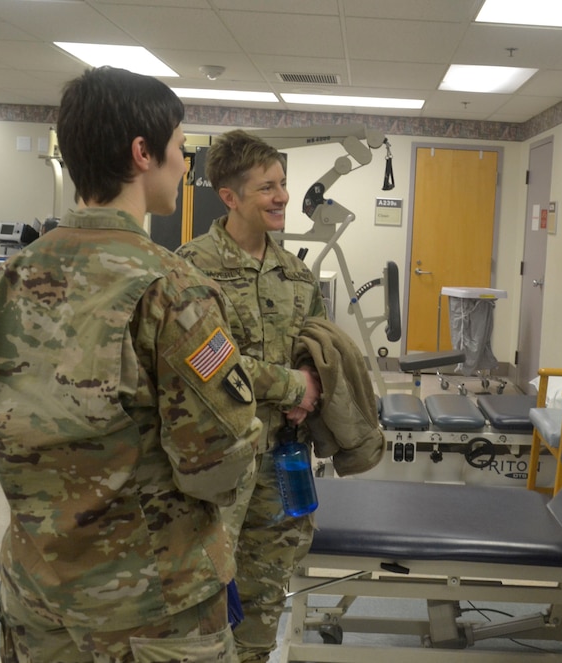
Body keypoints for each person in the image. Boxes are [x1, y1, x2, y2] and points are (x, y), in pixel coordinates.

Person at [0, 66, 261, 663]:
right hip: (150, 607)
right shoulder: (172, 290)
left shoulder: (5, 281)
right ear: (142, 152)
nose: (186, 165)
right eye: (180, 148)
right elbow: (217, 465)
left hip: (34, 593)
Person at [176, 129, 325, 663]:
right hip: (218, 467)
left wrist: (311, 386)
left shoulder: (297, 275)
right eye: (267, 187)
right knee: (204, 596)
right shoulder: (190, 268)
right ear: (230, 197)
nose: (282, 196)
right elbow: (210, 364)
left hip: (281, 463)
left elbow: (319, 352)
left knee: (264, 599)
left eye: (282, 183)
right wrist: (291, 385)